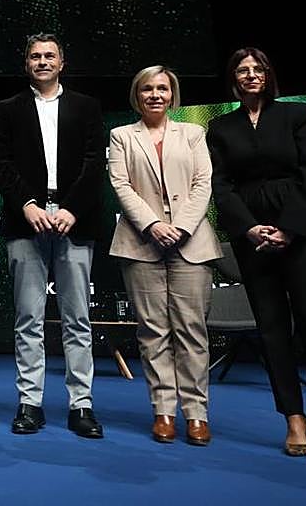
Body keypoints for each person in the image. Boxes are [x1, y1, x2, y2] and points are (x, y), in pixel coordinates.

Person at [207, 47, 306, 460]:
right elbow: (222, 186)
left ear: (268, 75)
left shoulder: (299, 114)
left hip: (304, 230)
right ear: (233, 78)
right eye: (242, 70)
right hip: (252, 235)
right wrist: (250, 228)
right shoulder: (220, 126)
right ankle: (293, 417)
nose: (251, 75)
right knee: (271, 329)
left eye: (258, 68)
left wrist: (288, 228)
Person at [0, 34, 106, 438]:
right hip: (27, 221)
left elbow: (96, 164)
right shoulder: (7, 109)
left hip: (75, 220)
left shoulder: (87, 106)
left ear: (62, 62)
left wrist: (72, 209)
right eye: (35, 56)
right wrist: (27, 204)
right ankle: (30, 403)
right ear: (26, 64)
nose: (42, 61)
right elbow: (0, 163)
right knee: (29, 319)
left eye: (49, 55)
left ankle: (82, 405)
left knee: (77, 318)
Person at [108, 65, 220, 446]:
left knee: (192, 331)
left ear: (172, 94)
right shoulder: (121, 135)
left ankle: (197, 415)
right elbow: (121, 185)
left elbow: (203, 183)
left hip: (191, 244)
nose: (155, 95)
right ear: (136, 96)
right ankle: (163, 412)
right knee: (153, 332)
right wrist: (154, 225)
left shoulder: (193, 133)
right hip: (141, 244)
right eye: (147, 89)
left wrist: (182, 227)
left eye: (162, 89)